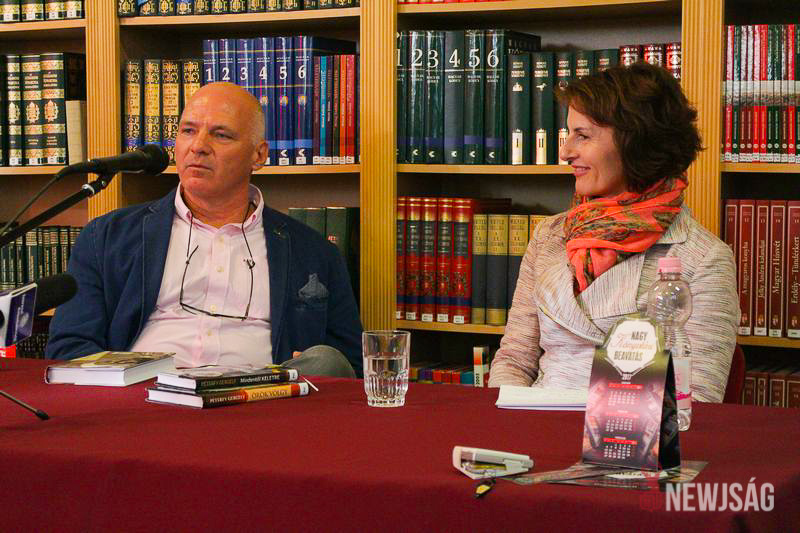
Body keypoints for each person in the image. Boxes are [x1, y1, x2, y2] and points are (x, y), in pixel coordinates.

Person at [46, 82, 363, 377]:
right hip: (143, 399)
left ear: (259, 155)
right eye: (188, 131)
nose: (198, 146)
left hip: (259, 402)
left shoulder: (314, 252)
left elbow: (350, 364)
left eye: (221, 135)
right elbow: (70, 346)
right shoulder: (107, 237)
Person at [488, 62, 739, 402]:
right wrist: (507, 417)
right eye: (568, 134)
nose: (565, 152)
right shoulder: (549, 236)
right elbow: (514, 360)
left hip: (630, 430)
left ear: (635, 141)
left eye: (582, 135)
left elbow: (697, 398)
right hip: (532, 421)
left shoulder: (705, 258)